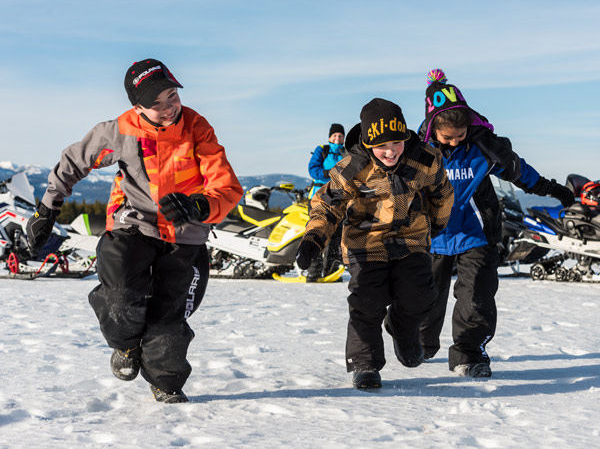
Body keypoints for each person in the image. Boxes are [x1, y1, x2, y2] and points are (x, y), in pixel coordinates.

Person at [26, 58, 243, 403]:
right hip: (133, 225)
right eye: (155, 104)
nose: (168, 108)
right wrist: (47, 207)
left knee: (169, 319)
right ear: (137, 106)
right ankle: (126, 346)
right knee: (120, 292)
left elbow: (227, 186)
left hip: (184, 233)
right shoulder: (120, 131)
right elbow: (74, 160)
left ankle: (165, 380)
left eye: (171, 96)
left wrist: (200, 206)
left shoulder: (197, 127)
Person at [418, 69, 575, 378]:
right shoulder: (419, 153)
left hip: (478, 233)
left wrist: (553, 189)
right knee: (425, 294)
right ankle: (420, 341)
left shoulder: (484, 148)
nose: (453, 142)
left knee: (476, 294)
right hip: (434, 236)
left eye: (460, 136)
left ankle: (468, 353)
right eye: (447, 137)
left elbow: (519, 172)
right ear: (432, 128)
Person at [296, 98, 454, 389]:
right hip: (365, 244)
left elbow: (442, 192)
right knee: (366, 302)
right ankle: (365, 363)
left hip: (411, 240)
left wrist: (438, 222)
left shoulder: (425, 159)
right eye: (382, 146)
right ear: (368, 144)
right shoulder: (351, 167)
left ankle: (402, 330)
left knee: (420, 294)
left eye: (397, 142)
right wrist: (313, 239)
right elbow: (327, 206)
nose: (391, 151)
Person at [305, 123, 347, 281]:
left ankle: (331, 270)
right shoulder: (321, 150)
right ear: (330, 137)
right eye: (335, 135)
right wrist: (331, 173)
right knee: (317, 232)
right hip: (319, 197)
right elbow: (312, 169)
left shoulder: (346, 152)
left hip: (339, 199)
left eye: (340, 136)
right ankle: (313, 271)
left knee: (336, 236)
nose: (337, 138)